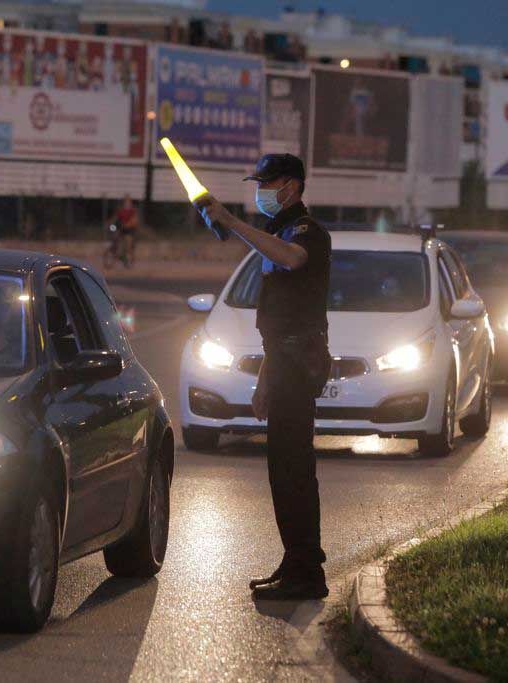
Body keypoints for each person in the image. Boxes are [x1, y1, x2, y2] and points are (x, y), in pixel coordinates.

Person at [200, 154, 332, 601]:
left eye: (268, 183)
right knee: (282, 471)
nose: (262, 191)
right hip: (283, 362)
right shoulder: (277, 232)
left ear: (292, 187)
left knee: (295, 469)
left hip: (300, 364)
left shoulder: (307, 232)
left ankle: (307, 570)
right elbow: (276, 325)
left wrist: (232, 222)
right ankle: (295, 561)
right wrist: (263, 378)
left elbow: (293, 259)